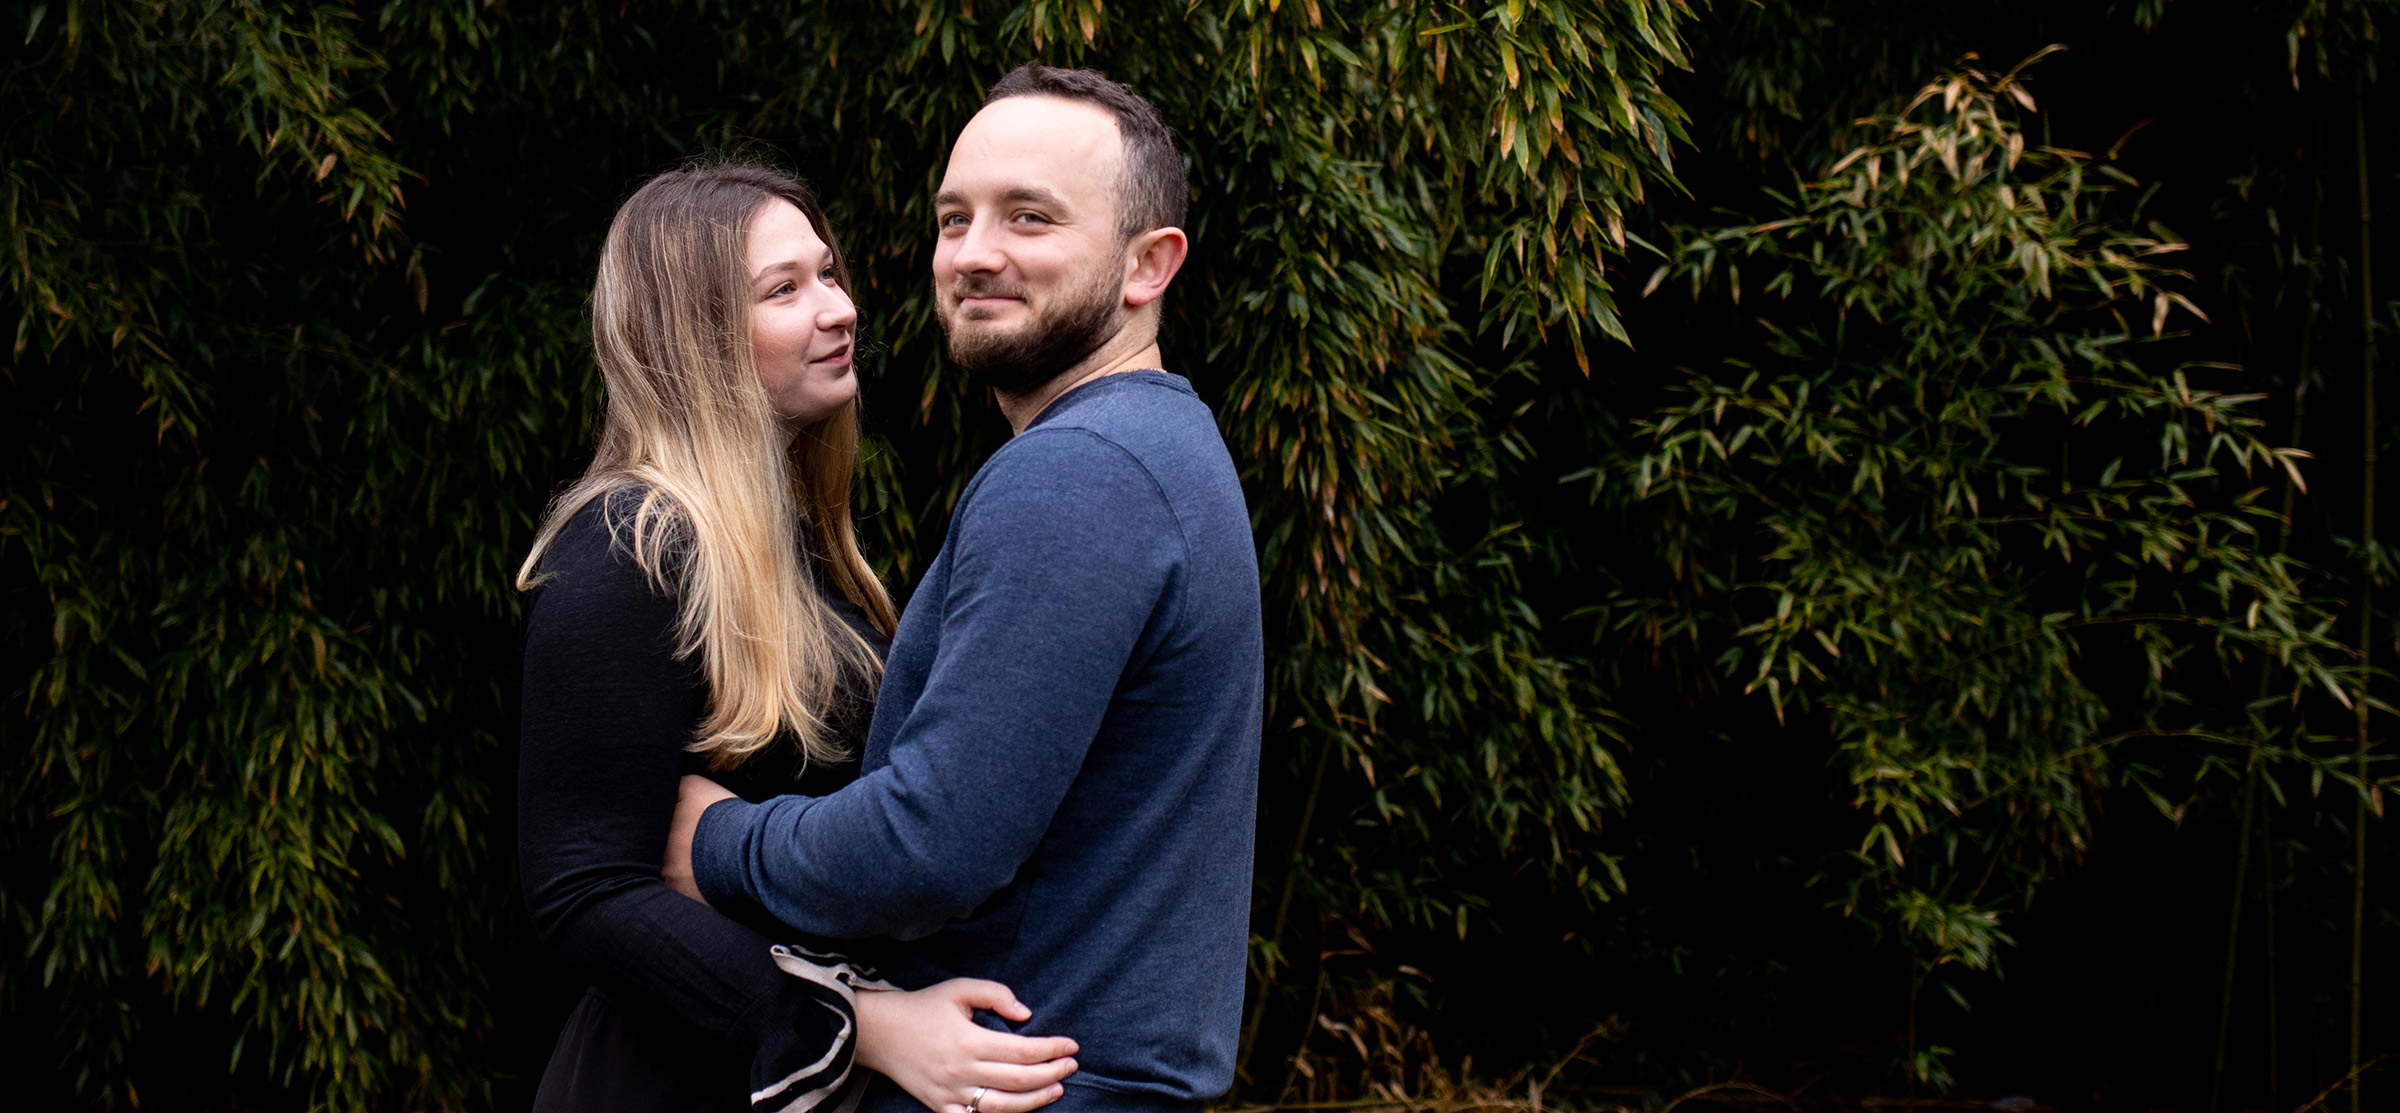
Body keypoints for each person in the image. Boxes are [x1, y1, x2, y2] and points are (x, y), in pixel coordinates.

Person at [665, 65, 1265, 1113]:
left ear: (1148, 264)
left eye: (1029, 218)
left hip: (1031, 1085)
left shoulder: (1081, 474)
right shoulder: (1168, 446)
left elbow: (926, 847)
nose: (975, 253)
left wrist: (713, 841)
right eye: (955, 218)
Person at [517, 162, 1081, 1113]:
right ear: (692, 341)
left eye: (828, 273)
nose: (839, 308)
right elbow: (582, 892)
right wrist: (861, 1025)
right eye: (785, 289)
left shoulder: (795, 546)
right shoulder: (630, 547)